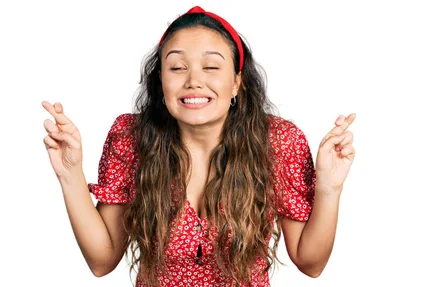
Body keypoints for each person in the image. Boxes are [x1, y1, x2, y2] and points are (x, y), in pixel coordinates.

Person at [42, 5, 355, 287]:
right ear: (160, 81)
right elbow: (102, 261)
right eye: (177, 68)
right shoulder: (130, 137)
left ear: (236, 82)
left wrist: (329, 187)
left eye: (211, 67)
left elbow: (310, 263)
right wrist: (70, 174)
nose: (193, 80)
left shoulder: (278, 141)